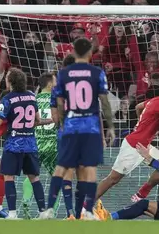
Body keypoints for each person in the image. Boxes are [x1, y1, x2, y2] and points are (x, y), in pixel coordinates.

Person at [41, 38, 114, 220]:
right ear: (91, 52)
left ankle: (49, 208)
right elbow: (104, 102)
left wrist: (64, 125)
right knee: (89, 168)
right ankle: (88, 211)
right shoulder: (97, 73)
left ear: (73, 52)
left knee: (62, 167)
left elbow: (59, 104)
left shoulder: (64, 74)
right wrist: (110, 127)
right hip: (90, 127)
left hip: (71, 127)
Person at [0, 68, 52, 219]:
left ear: (10, 82)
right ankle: (43, 212)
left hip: (14, 144)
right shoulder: (32, 97)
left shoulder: (7, 99)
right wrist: (51, 120)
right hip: (30, 144)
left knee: (8, 177)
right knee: (34, 177)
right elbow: (37, 121)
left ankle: (12, 213)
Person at [21, 72, 75, 219]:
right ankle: (52, 211)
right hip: (53, 144)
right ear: (50, 84)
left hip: (36, 143)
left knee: (31, 176)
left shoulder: (33, 99)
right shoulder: (58, 99)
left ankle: (26, 200)